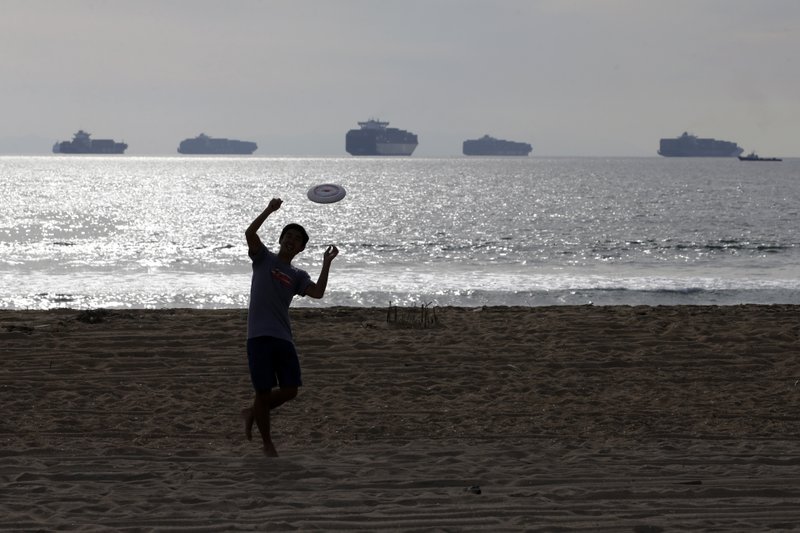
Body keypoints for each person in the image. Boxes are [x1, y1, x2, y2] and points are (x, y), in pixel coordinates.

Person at [241, 197, 338, 456]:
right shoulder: (263, 259)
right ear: (281, 239)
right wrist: (269, 210)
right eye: (288, 235)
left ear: (301, 249)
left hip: (283, 337)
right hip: (258, 336)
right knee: (262, 391)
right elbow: (250, 233)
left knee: (290, 390)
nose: (291, 240)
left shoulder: (298, 276)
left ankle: (254, 411)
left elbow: (317, 293)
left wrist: (326, 264)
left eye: (297, 239)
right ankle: (267, 443)